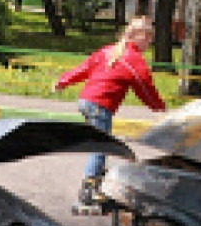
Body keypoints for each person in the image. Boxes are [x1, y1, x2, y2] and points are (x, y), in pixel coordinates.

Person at [52, 15, 167, 206]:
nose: (150, 43)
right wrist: (159, 106)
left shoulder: (109, 51)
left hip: (86, 101)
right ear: (138, 36)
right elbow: (145, 88)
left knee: (100, 143)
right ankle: (89, 190)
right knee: (101, 146)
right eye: (148, 38)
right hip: (100, 105)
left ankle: (98, 177)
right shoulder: (134, 60)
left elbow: (84, 68)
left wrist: (63, 81)